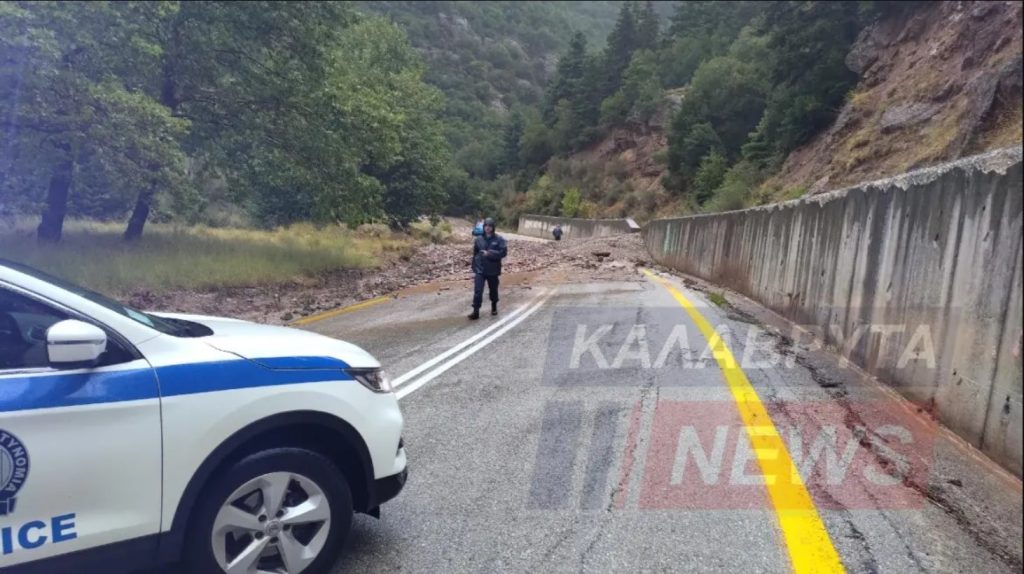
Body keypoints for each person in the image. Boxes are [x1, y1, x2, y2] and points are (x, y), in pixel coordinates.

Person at [469, 217, 507, 319]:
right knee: (478, 291)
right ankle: (476, 311)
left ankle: (494, 306)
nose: (487, 228)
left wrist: (490, 253)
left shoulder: (499, 239)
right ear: (483, 227)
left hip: (493, 270)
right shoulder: (478, 239)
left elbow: (503, 253)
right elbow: (475, 254)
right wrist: (474, 267)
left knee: (493, 290)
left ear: (493, 227)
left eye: (490, 226)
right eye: (486, 225)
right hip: (480, 270)